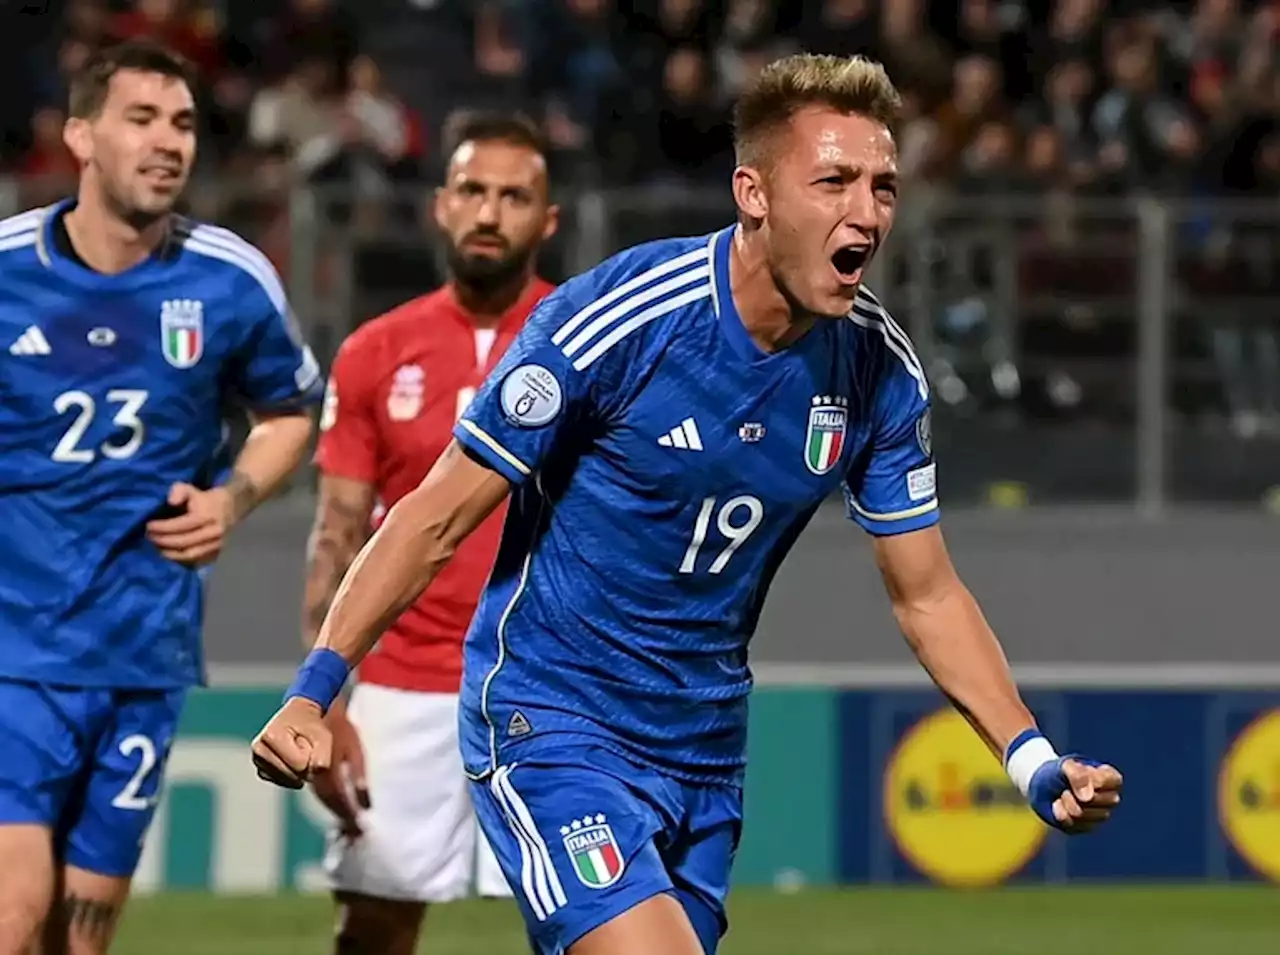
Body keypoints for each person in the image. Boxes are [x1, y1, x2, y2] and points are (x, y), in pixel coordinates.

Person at [253, 53, 1123, 955]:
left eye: (883, 187)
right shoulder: (623, 321)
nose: (865, 212)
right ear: (753, 192)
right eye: (833, 181)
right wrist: (315, 691)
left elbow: (928, 593)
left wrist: (1030, 759)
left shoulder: (879, 371)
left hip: (702, 748)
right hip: (554, 722)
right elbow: (433, 516)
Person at [0, 39, 320, 955]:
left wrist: (233, 499)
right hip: (14, 653)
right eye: (140, 119)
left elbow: (291, 412)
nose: (167, 141)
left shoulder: (228, 277)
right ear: (80, 138)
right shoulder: (8, 273)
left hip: (144, 653)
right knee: (14, 918)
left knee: (80, 938)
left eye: (181, 123)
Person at [303, 111, 558, 955]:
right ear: (441, 206)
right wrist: (323, 700)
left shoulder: (589, 340)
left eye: (514, 196)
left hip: (552, 686)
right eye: (474, 192)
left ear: (545, 220)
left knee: (595, 923)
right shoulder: (375, 351)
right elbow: (337, 532)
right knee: (374, 927)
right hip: (405, 685)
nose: (491, 212)